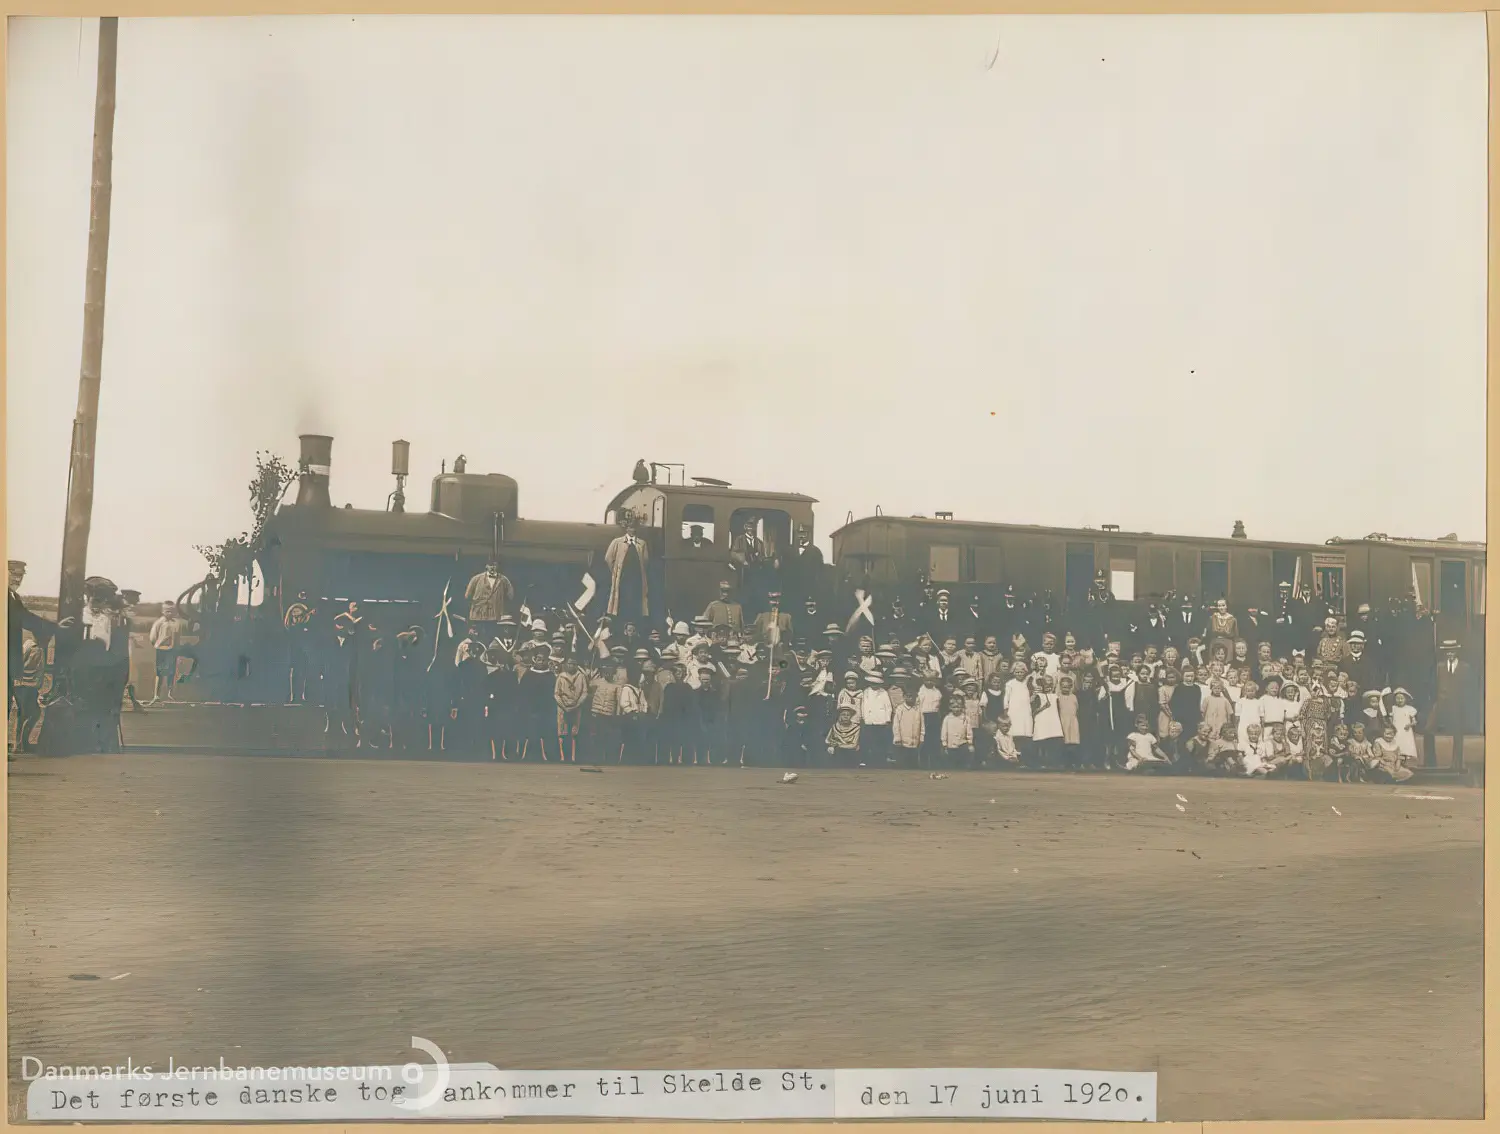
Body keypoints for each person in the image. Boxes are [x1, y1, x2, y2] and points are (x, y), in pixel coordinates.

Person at [1423, 639, 1473, 770]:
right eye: (1447, 651)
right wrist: (1435, 700)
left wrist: (1465, 705)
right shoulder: (1440, 666)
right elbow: (1433, 685)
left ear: (1456, 651)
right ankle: (1430, 762)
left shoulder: (1465, 667)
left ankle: (1456, 764)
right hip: (1440, 702)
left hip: (1457, 704)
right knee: (1428, 729)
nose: (1450, 654)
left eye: (1452, 651)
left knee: (1458, 733)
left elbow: (1469, 688)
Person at [604, 511, 651, 622]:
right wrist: (615, 572)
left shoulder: (641, 544)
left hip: (636, 580)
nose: (632, 530)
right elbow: (608, 558)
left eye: (634, 528)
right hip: (622, 579)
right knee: (621, 601)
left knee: (635, 602)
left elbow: (645, 561)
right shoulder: (617, 542)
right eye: (630, 527)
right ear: (626, 529)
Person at [464, 559, 515, 644]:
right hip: (478, 616)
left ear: (497, 566)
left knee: (493, 638)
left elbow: (511, 596)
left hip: (495, 616)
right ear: (486, 566)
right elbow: (467, 596)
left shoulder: (503, 580)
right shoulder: (476, 579)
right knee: (478, 638)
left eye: (494, 565)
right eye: (490, 565)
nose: (492, 567)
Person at [148, 601, 185, 704]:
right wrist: (158, 645)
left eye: (172, 611)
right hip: (161, 650)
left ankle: (170, 693)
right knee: (160, 673)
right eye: (167, 611)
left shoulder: (176, 623)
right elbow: (152, 637)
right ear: (162, 611)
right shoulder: (159, 623)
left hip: (172, 650)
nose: (170, 613)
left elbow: (178, 638)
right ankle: (157, 695)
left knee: (171, 672)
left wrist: (177, 650)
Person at [939, 695, 974, 767]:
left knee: (963, 763)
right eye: (954, 707)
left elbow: (969, 731)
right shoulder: (947, 718)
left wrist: (970, 743)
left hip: (962, 744)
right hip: (951, 745)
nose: (956, 709)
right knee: (952, 764)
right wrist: (944, 744)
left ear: (962, 707)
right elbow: (944, 732)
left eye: (958, 707)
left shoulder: (966, 718)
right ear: (950, 707)